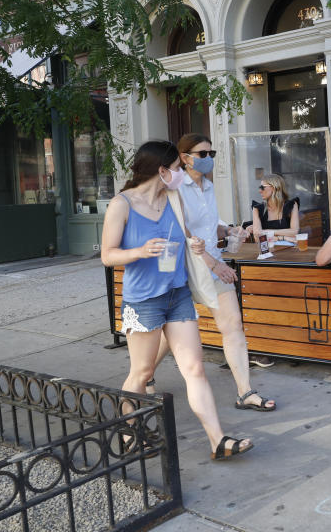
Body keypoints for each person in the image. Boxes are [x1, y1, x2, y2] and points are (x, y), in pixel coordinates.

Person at [100, 141, 252, 461]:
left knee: (195, 368)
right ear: (162, 170)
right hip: (144, 300)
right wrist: (140, 252)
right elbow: (107, 255)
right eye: (179, 168)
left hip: (177, 292)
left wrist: (197, 248)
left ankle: (218, 440)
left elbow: (184, 236)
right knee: (141, 373)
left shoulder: (174, 197)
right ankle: (128, 430)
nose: (183, 173)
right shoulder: (121, 204)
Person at [148, 134, 276, 409]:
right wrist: (214, 263)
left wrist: (229, 230)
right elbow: (183, 232)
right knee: (172, 333)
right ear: (184, 157)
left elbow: (207, 227)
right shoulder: (174, 186)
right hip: (181, 266)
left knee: (232, 325)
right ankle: (144, 375)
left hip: (212, 262)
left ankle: (245, 392)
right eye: (202, 154)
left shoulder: (207, 187)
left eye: (211, 153)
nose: (208, 159)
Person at [251, 174, 299, 241]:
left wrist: (268, 232)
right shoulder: (257, 209)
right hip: (267, 249)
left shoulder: (291, 205)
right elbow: (257, 237)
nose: (260, 191)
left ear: (274, 187)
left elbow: (294, 232)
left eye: (262, 187)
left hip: (288, 249)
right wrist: (283, 237)